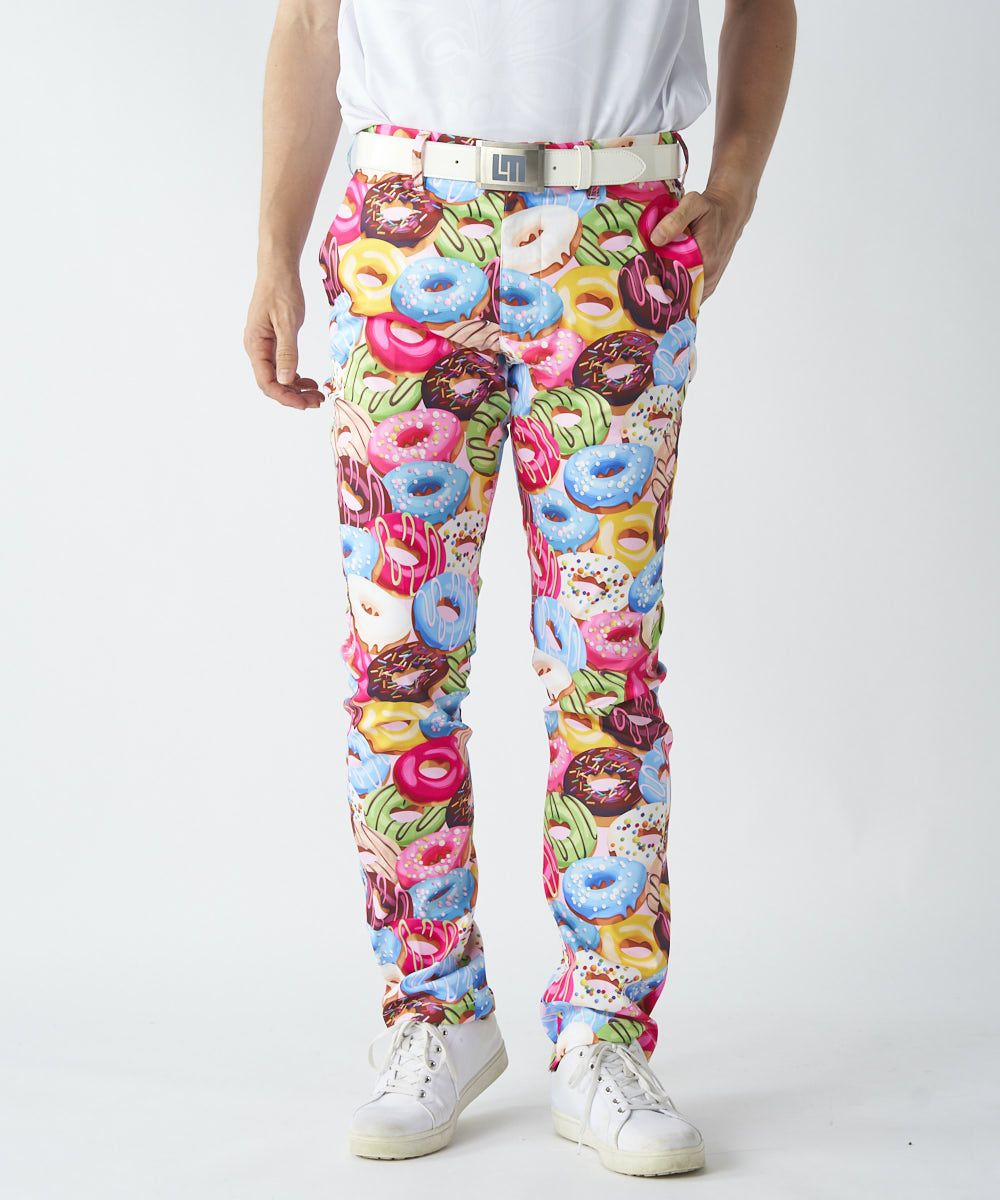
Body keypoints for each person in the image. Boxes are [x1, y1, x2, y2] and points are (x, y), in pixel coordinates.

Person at [244, 0, 795, 1176]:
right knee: (399, 665)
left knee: (606, 668)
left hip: (614, 230)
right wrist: (272, 253)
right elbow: (310, 19)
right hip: (404, 233)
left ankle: (603, 1033)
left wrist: (737, 182)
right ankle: (432, 1010)